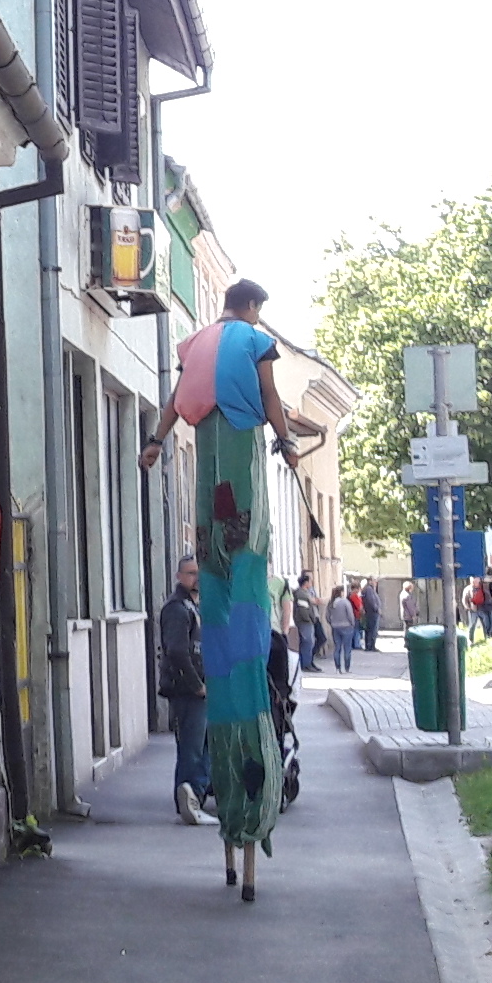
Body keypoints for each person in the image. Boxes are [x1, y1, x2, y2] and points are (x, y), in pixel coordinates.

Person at [136, 278, 330, 902]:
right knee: (244, 568)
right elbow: (270, 396)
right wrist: (287, 441)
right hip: (242, 482)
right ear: (252, 308)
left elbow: (174, 401)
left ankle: (227, 819)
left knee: (218, 570)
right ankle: (250, 804)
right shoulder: (252, 340)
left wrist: (156, 441)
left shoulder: (195, 343)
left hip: (208, 497)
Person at [156, 576, 211, 827]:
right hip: (188, 691)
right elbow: (177, 651)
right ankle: (190, 800)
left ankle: (195, 797)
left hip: (199, 689)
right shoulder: (177, 608)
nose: (196, 577)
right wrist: (196, 685)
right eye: (190, 573)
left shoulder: (194, 606)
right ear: (179, 577)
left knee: (202, 746)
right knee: (192, 748)